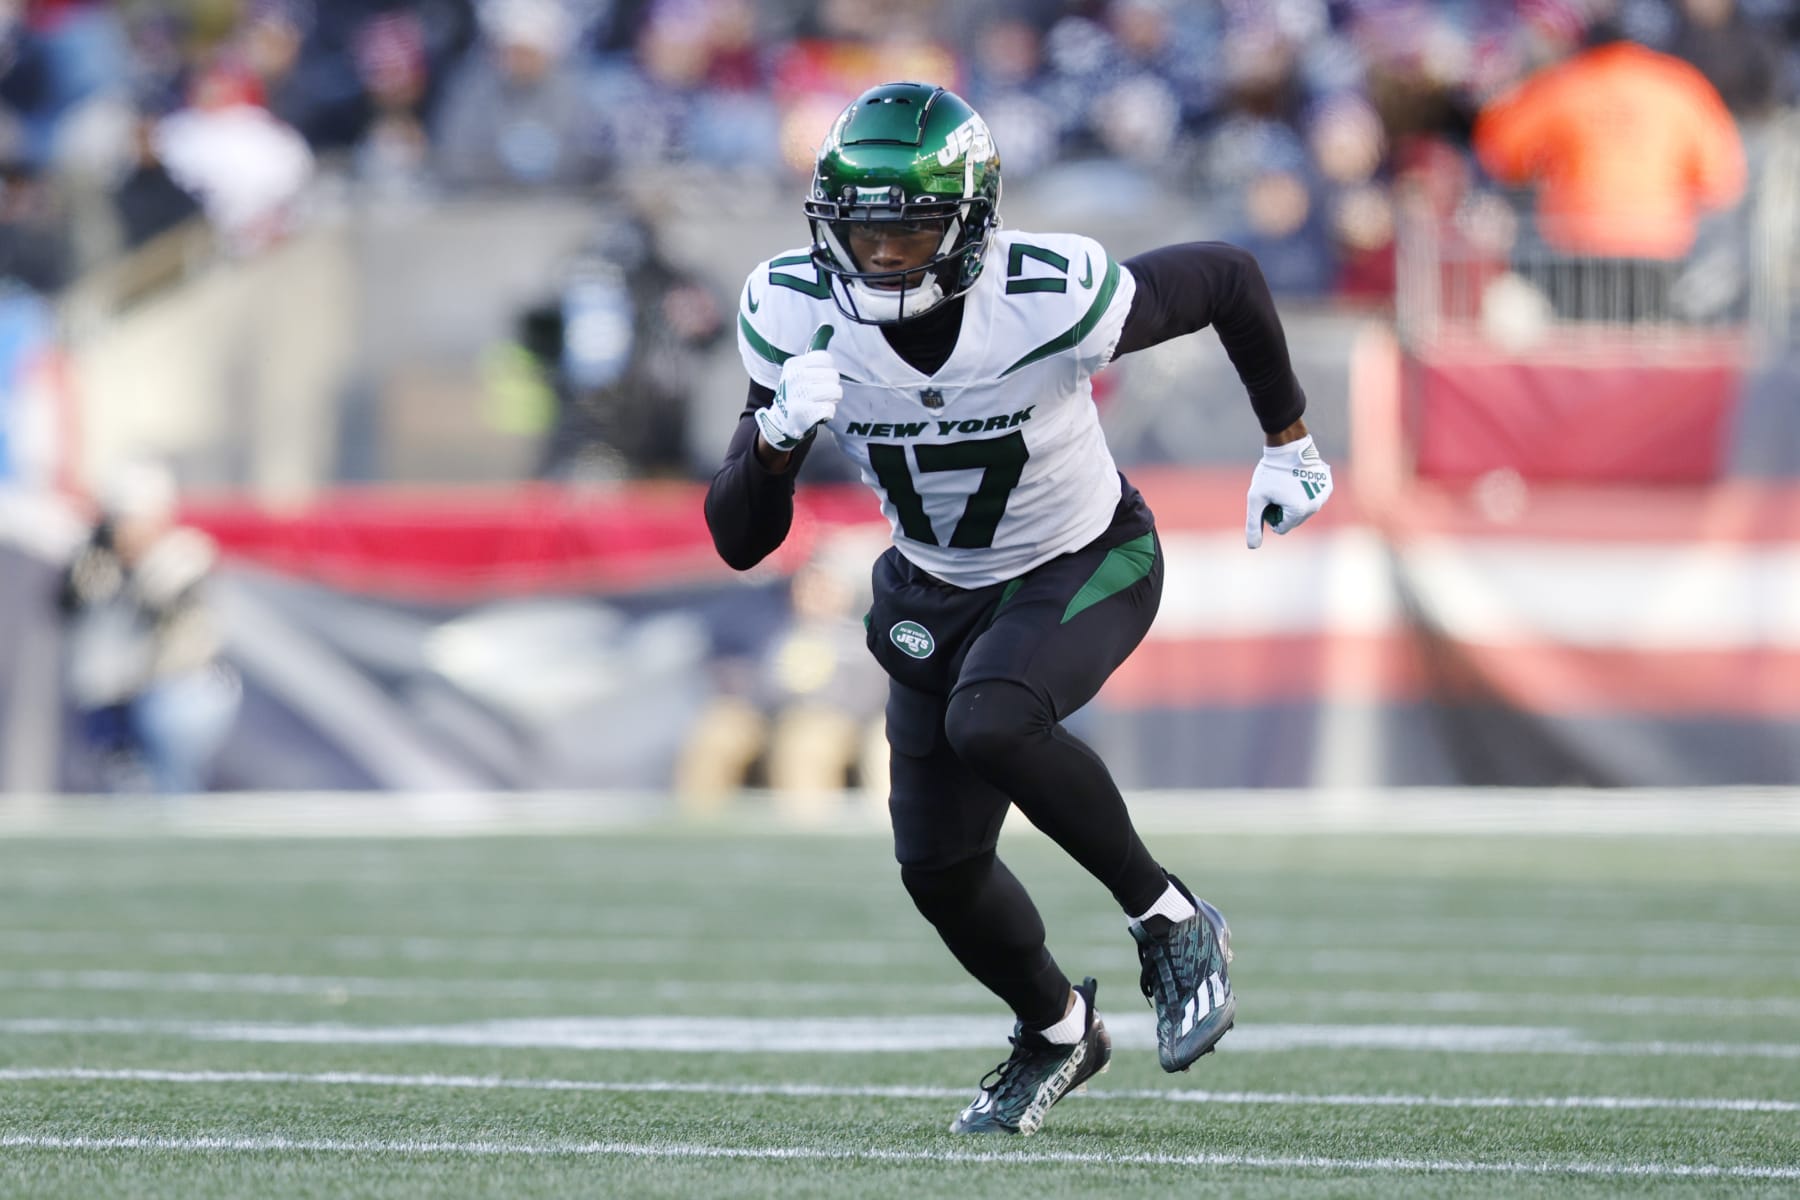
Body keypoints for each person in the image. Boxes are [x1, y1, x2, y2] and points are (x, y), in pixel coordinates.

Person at [704, 82, 1333, 1135]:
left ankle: (1171, 916)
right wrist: (773, 442)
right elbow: (739, 538)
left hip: (1081, 556)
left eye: (907, 233)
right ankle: (1055, 1030)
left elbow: (1226, 276)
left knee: (991, 718)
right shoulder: (792, 309)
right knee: (937, 869)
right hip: (933, 582)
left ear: (969, 227)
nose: (878, 258)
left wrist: (1290, 440)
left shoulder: (1046, 294)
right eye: (859, 233)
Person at [1471, 19, 1746, 322]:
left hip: (1577, 244)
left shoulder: (1567, 83)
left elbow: (1500, 149)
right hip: (1659, 245)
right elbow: (1721, 178)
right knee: (1643, 334)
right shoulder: (1679, 86)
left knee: (1584, 336)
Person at [56, 460, 240, 794]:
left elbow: (162, 607)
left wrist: (136, 572)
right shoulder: (95, 562)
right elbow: (67, 605)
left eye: (136, 521)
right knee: (122, 784)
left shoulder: (180, 559)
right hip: (112, 698)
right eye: (120, 521)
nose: (128, 532)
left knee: (167, 746)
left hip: (174, 691)